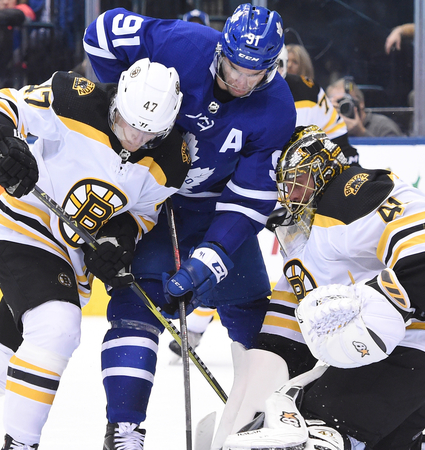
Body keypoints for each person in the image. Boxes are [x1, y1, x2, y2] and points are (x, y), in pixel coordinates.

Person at [0, 59, 189, 450]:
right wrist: (1, 146)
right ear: (118, 101)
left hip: (71, 262)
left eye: (149, 134)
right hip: (22, 231)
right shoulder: (72, 98)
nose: (134, 139)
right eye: (128, 124)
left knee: (2, 367)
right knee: (57, 326)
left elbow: (140, 214)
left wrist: (118, 241)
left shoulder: (170, 159)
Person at [83, 4, 297, 448]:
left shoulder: (277, 110)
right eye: (235, 65)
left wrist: (209, 260)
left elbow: (251, 197)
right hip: (149, 200)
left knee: (259, 323)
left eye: (253, 73)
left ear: (272, 68)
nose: (240, 79)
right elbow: (100, 33)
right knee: (135, 307)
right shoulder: (184, 43)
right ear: (222, 48)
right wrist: (118, 109)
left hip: (213, 208)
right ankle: (124, 430)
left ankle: (265, 420)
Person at [213, 125, 425, 450]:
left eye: (296, 182)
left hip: (419, 343)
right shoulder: (301, 237)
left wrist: (389, 304)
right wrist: (255, 391)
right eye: (282, 187)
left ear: (322, 168)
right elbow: (287, 334)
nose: (289, 196)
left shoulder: (351, 193)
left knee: (315, 429)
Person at [166, 43, 363, 359]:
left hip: (300, 192)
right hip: (258, 188)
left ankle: (323, 329)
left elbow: (340, 142)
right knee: (232, 255)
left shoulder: (306, 94)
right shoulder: (243, 97)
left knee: (305, 260)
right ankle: (198, 327)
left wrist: (339, 181)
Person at [326, 78, 404, 137]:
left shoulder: (383, 126)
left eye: (344, 103)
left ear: (361, 103)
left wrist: (360, 132)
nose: (339, 109)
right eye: (335, 105)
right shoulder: (326, 129)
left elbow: (393, 155)